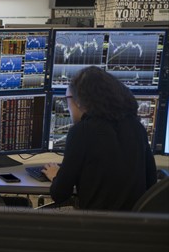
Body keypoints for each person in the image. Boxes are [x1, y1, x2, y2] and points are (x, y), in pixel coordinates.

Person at [42, 66, 157, 210]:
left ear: (78, 101)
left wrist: (55, 176)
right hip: (133, 227)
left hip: (97, 228)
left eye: (67, 100)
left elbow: (60, 194)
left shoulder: (82, 131)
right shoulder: (136, 126)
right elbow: (151, 182)